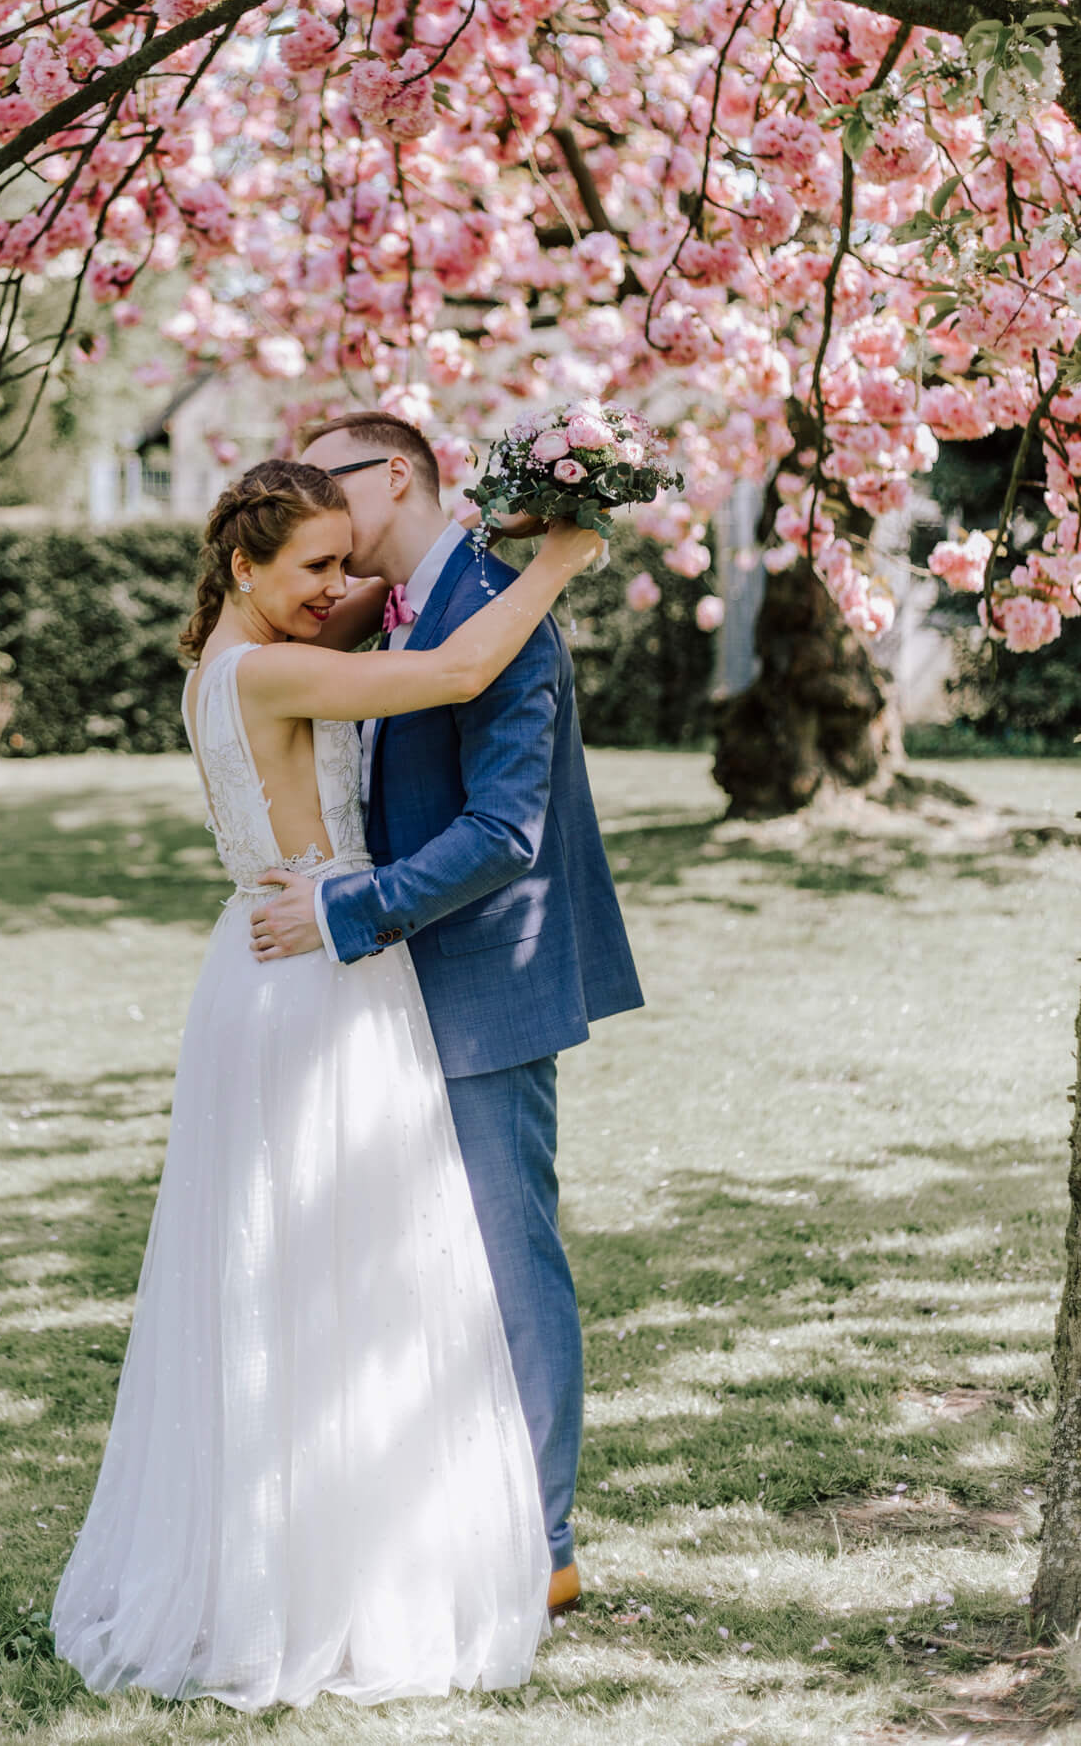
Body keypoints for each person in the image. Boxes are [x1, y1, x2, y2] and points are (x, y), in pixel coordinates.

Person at [51, 457, 603, 1709]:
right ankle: (326, 1581)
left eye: (344, 564)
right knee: (345, 1273)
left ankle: (321, 1553)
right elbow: (457, 667)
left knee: (298, 1273)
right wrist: (560, 562)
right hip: (316, 976)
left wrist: (451, 541)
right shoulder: (274, 667)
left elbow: (401, 607)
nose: (337, 588)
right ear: (244, 567)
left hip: (262, 967)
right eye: (311, 567)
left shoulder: (228, 657)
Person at [250, 411, 645, 1617]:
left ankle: (546, 1543)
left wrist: (348, 910)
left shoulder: (503, 610)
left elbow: (502, 834)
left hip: (484, 980)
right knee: (415, 1263)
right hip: (391, 996)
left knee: (507, 1253)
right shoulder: (388, 613)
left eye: (334, 478)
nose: (316, 501)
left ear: (401, 475)